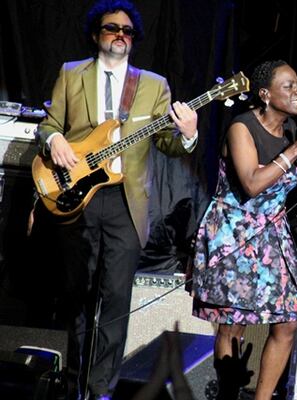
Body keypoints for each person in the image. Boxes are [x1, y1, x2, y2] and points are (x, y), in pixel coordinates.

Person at [35, 1, 198, 398]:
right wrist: (55, 139)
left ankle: (101, 389)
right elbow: (49, 124)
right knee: (77, 297)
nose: (120, 35)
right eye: (112, 28)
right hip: (77, 195)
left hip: (127, 201)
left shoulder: (154, 85)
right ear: (97, 34)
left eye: (127, 31)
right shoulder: (72, 74)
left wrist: (188, 134)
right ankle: (73, 384)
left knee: (116, 300)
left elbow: (166, 143)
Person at [190, 59, 297, 400]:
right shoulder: (242, 128)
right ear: (265, 94)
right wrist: (295, 151)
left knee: (288, 320)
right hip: (235, 236)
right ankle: (228, 394)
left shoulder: (294, 131)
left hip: (272, 238)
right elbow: (251, 184)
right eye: (289, 86)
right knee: (234, 322)